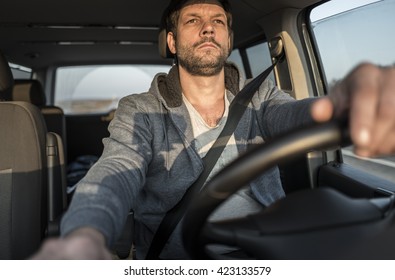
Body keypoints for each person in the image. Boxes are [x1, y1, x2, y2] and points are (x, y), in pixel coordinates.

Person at [31, 0, 395, 259]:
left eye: (218, 21)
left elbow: (294, 115)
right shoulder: (140, 109)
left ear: (227, 39)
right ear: (172, 42)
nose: (208, 26)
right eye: (192, 20)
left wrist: (336, 106)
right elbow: (115, 171)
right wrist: (84, 236)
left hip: (266, 253)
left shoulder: (261, 94)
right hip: (179, 260)